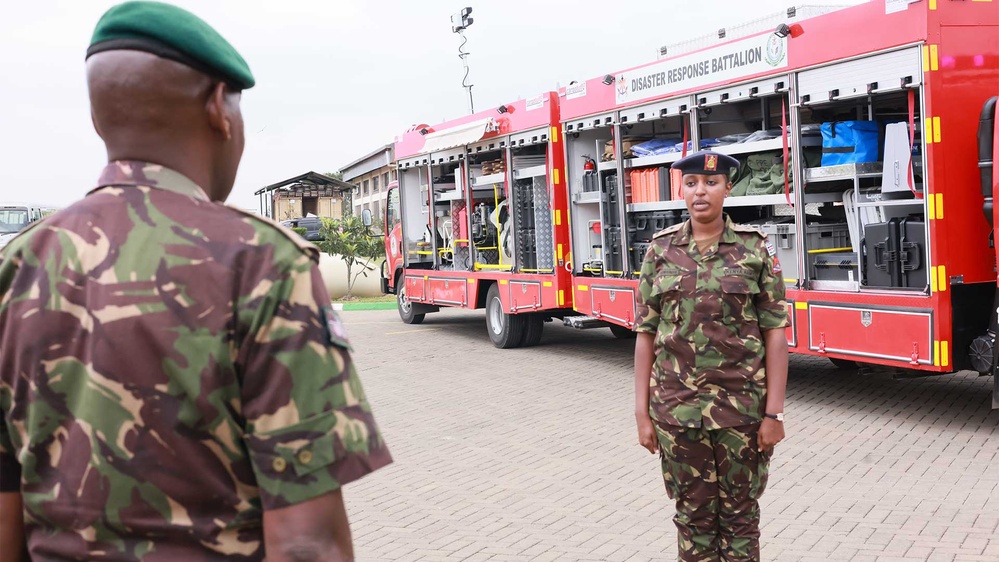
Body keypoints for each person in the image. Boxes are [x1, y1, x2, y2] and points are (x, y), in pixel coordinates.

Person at [0, 3, 391, 561]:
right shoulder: (262, 265)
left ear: (99, 118)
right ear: (217, 109)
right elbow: (308, 544)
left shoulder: (16, 270)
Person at [633, 150, 789, 561]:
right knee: (693, 519)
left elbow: (775, 333)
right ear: (681, 190)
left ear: (727, 188)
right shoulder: (660, 251)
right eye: (691, 184)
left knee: (740, 520)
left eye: (711, 182)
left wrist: (774, 414)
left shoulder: (754, 250)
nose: (700, 191)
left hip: (742, 413)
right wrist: (641, 414)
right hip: (677, 413)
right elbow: (645, 334)